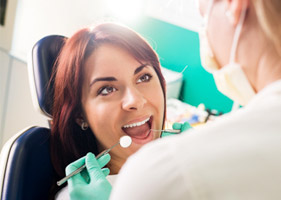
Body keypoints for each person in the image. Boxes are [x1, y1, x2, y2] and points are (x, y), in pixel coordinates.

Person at [110, 0, 281, 199]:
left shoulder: (168, 174)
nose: (135, 101)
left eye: (203, 15)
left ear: (234, 4)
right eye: (107, 89)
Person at [48, 22, 190, 200]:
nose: (135, 101)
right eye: (107, 89)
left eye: (144, 77)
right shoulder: (78, 196)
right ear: (80, 115)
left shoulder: (185, 173)